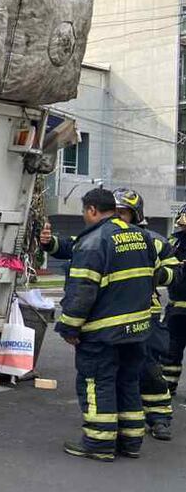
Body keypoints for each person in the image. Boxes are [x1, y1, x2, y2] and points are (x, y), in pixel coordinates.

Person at [51, 188, 155, 461]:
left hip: (103, 332)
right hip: (138, 329)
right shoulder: (142, 237)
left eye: (84, 211)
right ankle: (131, 442)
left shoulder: (95, 241)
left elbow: (82, 290)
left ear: (92, 210)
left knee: (97, 384)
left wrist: (69, 327)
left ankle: (99, 444)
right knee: (128, 382)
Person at [110, 188, 177, 440]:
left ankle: (159, 418)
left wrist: (158, 275)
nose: (118, 217)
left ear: (135, 214)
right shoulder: (104, 238)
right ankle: (118, 418)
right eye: (114, 212)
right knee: (115, 369)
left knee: (149, 368)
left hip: (145, 314)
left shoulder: (154, 240)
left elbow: (174, 272)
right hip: (113, 315)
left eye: (123, 212)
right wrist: (50, 243)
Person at [163, 204, 186, 395]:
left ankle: (168, 386)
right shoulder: (174, 243)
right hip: (177, 309)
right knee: (171, 351)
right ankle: (167, 385)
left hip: (177, 310)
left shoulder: (174, 242)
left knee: (171, 350)